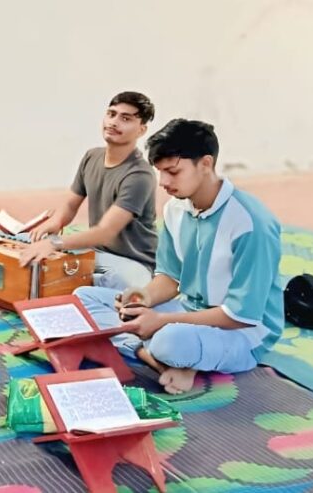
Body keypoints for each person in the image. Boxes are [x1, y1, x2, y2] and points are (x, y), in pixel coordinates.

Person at [74, 119, 284, 394]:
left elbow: (241, 315)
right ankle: (156, 360)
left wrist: (161, 321)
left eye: (173, 172)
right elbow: (170, 277)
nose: (163, 182)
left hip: (241, 333)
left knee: (168, 341)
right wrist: (143, 298)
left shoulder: (250, 223)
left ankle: (156, 351)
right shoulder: (176, 209)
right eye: (160, 172)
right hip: (187, 312)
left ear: (205, 164)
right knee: (82, 299)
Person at [18, 91, 158, 290]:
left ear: (141, 130)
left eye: (125, 118)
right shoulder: (92, 157)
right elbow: (70, 205)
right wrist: (56, 222)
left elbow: (106, 232)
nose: (114, 122)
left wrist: (54, 243)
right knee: (20, 241)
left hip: (132, 262)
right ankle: (75, 281)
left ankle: (72, 283)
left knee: (127, 282)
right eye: (111, 114)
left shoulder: (139, 175)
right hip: (95, 251)